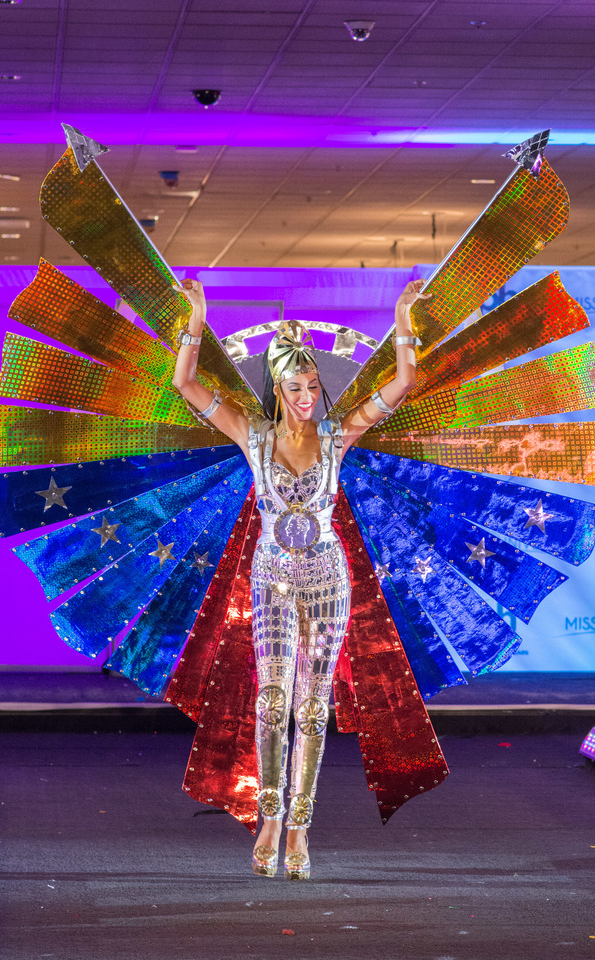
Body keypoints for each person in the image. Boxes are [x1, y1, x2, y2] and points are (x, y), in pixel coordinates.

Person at [171, 276, 430, 880]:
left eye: (314, 385)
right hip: (272, 580)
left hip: (327, 579)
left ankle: (300, 832)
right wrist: (197, 318)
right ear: (279, 390)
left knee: (314, 707)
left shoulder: (339, 435)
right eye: (297, 386)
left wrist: (401, 322)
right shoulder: (254, 436)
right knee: (272, 698)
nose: (309, 395)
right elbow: (186, 384)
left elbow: (405, 383)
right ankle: (267, 817)